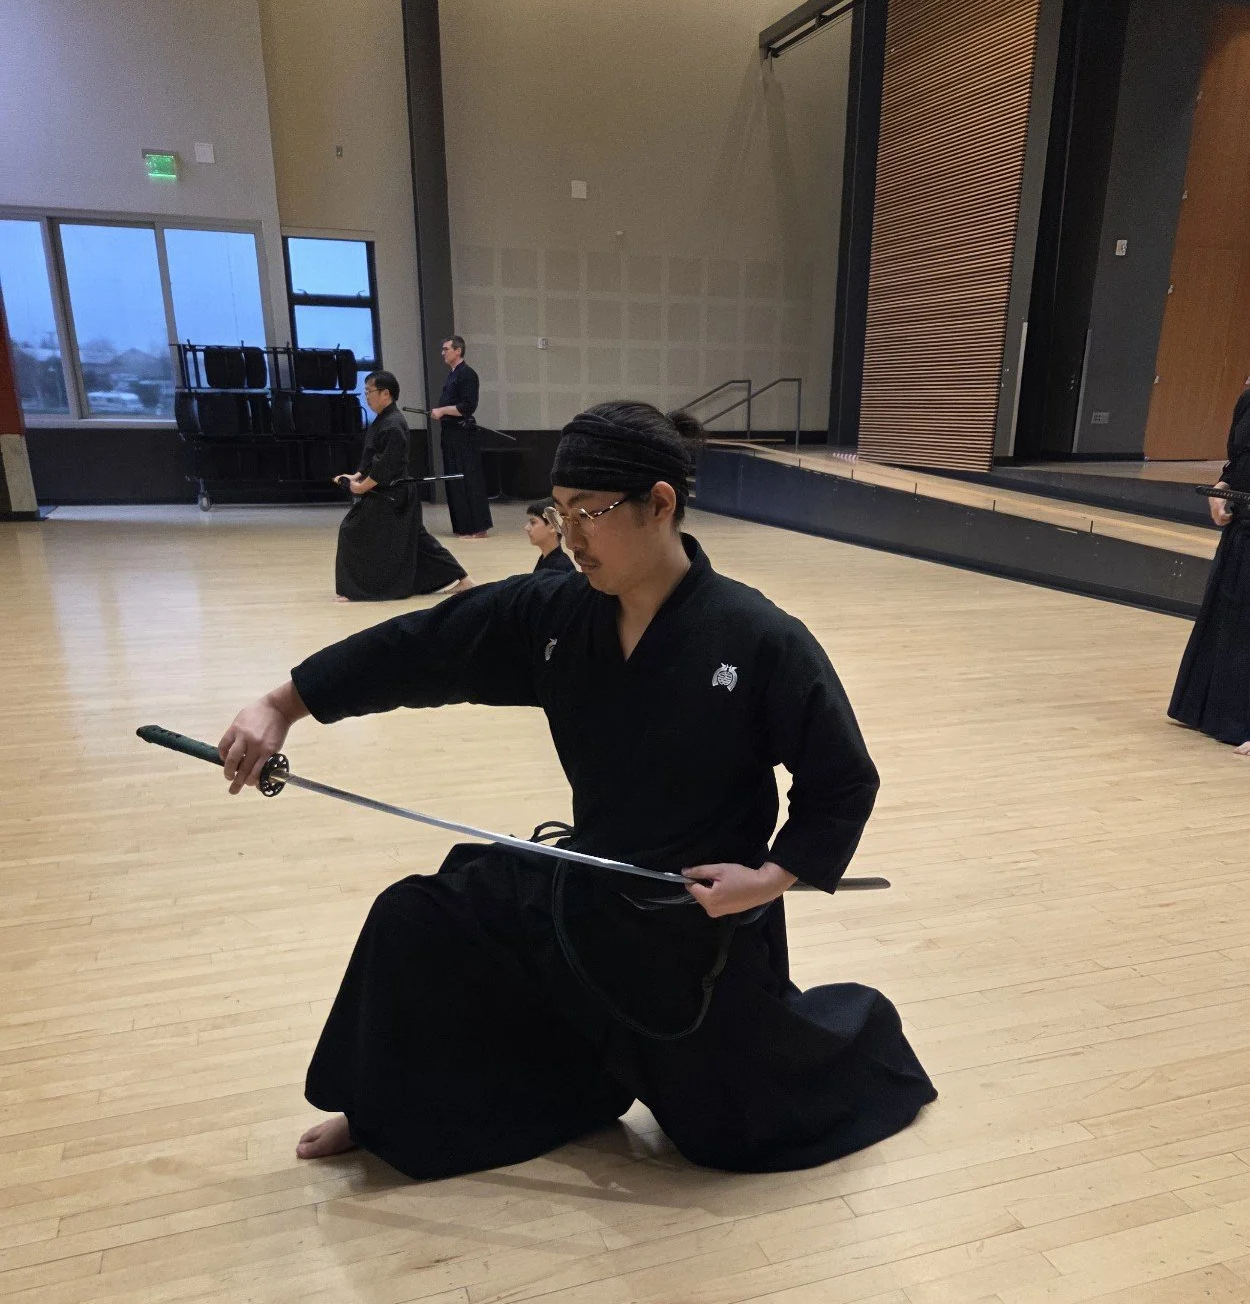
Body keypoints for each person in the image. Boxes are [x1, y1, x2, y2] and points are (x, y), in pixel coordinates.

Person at [219, 400, 935, 1180]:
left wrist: (768, 878)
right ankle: (386, 1106)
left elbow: (841, 777)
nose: (571, 539)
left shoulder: (757, 637)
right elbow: (424, 647)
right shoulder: (556, 611)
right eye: (560, 515)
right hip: (586, 880)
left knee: (732, 1137)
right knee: (415, 919)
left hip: (690, 921)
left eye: (588, 514)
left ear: (660, 504)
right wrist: (283, 703)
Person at [1168, 303, 1250, 757]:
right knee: (1225, 620)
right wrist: (1221, 491)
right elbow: (1235, 465)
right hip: (1243, 529)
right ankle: (1204, 710)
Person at [333, 371, 472, 603]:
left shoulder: (393, 424)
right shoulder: (383, 420)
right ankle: (464, 580)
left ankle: (356, 588)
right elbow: (371, 457)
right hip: (389, 493)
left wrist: (361, 487)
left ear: (385, 393)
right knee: (418, 540)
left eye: (370, 391)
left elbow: (384, 466)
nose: (366, 396)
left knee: (352, 530)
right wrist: (356, 475)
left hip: (392, 496)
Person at [432, 335, 493, 539]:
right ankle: (463, 526)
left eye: (446, 349)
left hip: (463, 435)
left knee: (468, 478)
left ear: (458, 351)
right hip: (450, 434)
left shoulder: (467, 374)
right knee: (454, 479)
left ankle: (478, 527)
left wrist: (443, 411)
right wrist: (442, 412)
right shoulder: (452, 375)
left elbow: (467, 406)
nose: (443, 353)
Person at [525, 497, 575, 573]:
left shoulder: (560, 567)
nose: (526, 528)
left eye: (533, 522)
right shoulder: (546, 560)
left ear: (552, 527)